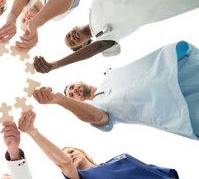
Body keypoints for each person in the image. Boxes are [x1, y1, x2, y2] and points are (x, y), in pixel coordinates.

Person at [33, 0, 199, 73]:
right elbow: (97, 47)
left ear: (73, 27)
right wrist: (56, 64)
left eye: (69, 35)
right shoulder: (104, 39)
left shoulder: (94, 5)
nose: (72, 38)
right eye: (73, 43)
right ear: (84, 45)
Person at [17, 109, 199, 179]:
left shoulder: (124, 158)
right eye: (65, 155)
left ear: (83, 152)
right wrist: (33, 132)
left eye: (72, 151)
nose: (70, 156)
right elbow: (65, 164)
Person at [33, 41, 199, 140]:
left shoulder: (111, 74)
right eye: (71, 95)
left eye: (72, 87)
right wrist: (61, 100)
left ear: (80, 81)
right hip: (181, 110)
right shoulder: (99, 107)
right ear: (78, 101)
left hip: (180, 69)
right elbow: (97, 117)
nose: (74, 90)